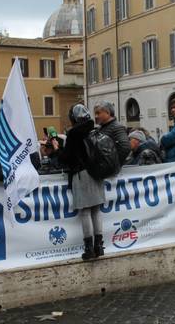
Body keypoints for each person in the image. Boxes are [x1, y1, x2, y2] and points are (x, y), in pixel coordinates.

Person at [59, 104, 106, 260]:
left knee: (85, 212)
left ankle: (89, 248)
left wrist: (58, 149)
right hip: (96, 173)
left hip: (81, 174)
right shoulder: (95, 129)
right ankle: (99, 246)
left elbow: (66, 158)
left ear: (73, 118)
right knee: (96, 210)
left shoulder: (73, 134)